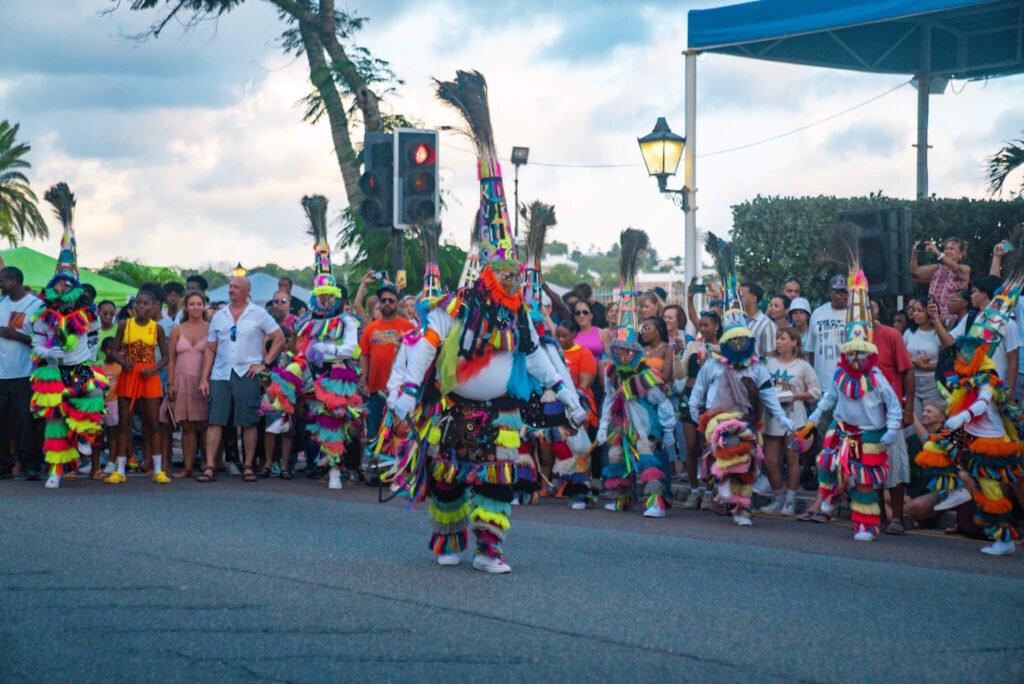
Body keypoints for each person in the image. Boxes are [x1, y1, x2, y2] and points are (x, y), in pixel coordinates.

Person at [388, 72, 586, 573]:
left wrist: (567, 396)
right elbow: (426, 348)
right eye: (502, 271)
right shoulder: (452, 309)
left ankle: (490, 548)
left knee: (497, 480)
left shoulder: (520, 316)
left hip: (502, 414)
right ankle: (451, 540)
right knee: (449, 479)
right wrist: (408, 391)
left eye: (513, 270)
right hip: (454, 408)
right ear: (484, 274)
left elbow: (540, 358)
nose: (511, 278)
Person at [914, 273, 1023, 556]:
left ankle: (1004, 538)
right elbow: (953, 344)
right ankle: (959, 487)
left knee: (994, 489)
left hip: (987, 436)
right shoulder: (972, 337)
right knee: (938, 448)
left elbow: (984, 401)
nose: (962, 357)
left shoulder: (987, 375)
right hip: (970, 431)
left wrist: (961, 417)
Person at [690, 235, 794, 526]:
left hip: (747, 417)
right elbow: (699, 391)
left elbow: (769, 394)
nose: (737, 345)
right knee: (726, 438)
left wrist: (784, 422)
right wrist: (695, 411)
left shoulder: (757, 367)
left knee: (748, 459)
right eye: (731, 340)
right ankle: (722, 487)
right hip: (716, 418)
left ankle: (742, 506)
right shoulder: (713, 364)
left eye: (741, 340)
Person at [800, 266, 902, 542]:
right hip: (842, 429)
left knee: (865, 483)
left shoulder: (878, 379)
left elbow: (894, 406)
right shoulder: (840, 373)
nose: (857, 357)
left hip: (869, 432)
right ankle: (829, 499)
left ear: (870, 353)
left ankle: (866, 525)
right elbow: (831, 397)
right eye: (853, 352)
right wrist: (815, 417)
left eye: (861, 353)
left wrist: (892, 429)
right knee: (827, 464)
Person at [28, 183, 108, 488]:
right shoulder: (43, 314)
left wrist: (81, 357)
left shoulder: (89, 316)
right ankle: (56, 471)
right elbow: (36, 344)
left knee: (93, 395)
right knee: (56, 421)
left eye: (67, 285)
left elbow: (92, 344)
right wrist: (51, 353)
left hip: (81, 367)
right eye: (58, 285)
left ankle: (86, 436)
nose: (62, 290)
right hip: (54, 370)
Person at [594, 230, 676, 518]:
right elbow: (608, 398)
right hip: (620, 420)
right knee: (617, 456)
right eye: (619, 350)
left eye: (629, 351)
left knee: (648, 456)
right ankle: (622, 497)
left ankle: (655, 501)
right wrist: (604, 426)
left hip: (643, 421)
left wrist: (667, 431)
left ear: (636, 351)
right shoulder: (613, 372)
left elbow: (661, 402)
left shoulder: (645, 374)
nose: (623, 355)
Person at [293, 196, 362, 490]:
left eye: (330, 297)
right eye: (322, 296)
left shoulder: (346, 321)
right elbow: (300, 345)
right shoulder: (309, 319)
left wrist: (326, 349)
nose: (326, 301)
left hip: (338, 375)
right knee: (315, 419)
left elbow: (348, 348)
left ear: (336, 298)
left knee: (337, 423)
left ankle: (338, 468)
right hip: (314, 373)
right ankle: (325, 464)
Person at [197, 276, 284, 483]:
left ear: (247, 291)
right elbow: (211, 348)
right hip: (221, 373)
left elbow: (279, 338)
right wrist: (204, 378)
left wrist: (265, 363)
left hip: (247, 372)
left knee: (248, 421)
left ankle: (248, 465)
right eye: (230, 287)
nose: (231, 291)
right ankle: (210, 465)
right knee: (215, 420)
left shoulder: (259, 313)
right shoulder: (220, 316)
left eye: (236, 287)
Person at [106, 289, 169, 484]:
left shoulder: (156, 328)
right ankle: (120, 469)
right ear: (134, 306)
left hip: (149, 376)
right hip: (128, 375)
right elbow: (113, 350)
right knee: (124, 423)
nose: (142, 307)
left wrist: (154, 369)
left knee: (153, 423)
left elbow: (166, 356)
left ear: (153, 306)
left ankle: (158, 469)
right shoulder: (125, 325)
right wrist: (123, 362)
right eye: (139, 303)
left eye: (146, 304)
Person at [760, 327, 820, 515]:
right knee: (770, 460)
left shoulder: (802, 366)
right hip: (772, 416)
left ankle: (791, 500)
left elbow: (815, 392)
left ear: (794, 342)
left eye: (783, 338)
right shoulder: (768, 364)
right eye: (777, 338)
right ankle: (778, 497)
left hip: (795, 416)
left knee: (793, 459)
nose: (778, 342)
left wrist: (796, 395)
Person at [870, 299, 916, 535]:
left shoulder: (891, 335)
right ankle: (878, 516)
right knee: (869, 467)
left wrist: (907, 410)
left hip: (891, 413)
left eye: (870, 306)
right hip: (865, 416)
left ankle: (896, 517)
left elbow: (907, 371)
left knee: (895, 467)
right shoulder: (852, 338)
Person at [359, 283, 415, 466]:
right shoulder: (371, 328)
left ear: (397, 303)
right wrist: (364, 382)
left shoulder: (408, 327)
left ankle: (397, 469)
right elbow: (364, 355)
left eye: (391, 300)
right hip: (375, 390)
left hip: (400, 391)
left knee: (398, 431)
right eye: (383, 301)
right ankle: (375, 469)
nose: (387, 304)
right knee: (374, 432)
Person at [0, 266, 43, 480]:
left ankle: (31, 464)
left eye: (4, 280)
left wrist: (16, 336)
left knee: (28, 420)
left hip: (25, 372)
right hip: (2, 372)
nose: (1, 284)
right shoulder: (1, 304)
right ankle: (4, 465)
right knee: (3, 420)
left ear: (15, 281)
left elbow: (44, 339)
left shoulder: (36, 306)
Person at [551, 319, 598, 509]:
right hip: (555, 406)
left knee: (581, 448)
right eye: (558, 336)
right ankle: (573, 486)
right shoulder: (552, 353)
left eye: (565, 336)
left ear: (573, 335)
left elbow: (585, 383)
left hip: (577, 406)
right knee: (565, 449)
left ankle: (583, 488)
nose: (561, 339)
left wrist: (573, 404)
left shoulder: (583, 353)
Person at [679, 311, 721, 510]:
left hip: (711, 400)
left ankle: (709, 490)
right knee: (691, 446)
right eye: (701, 325)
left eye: (707, 325)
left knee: (710, 447)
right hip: (689, 395)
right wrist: (675, 354)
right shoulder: (693, 346)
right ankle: (694, 490)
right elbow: (680, 373)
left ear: (717, 327)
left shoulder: (724, 348)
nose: (703, 329)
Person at [167, 292, 209, 478]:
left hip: (204, 380)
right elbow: (171, 359)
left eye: (199, 304)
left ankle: (209, 465)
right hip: (181, 380)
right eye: (192, 304)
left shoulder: (211, 329)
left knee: (206, 424)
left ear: (204, 306)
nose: (195, 307)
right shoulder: (177, 329)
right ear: (186, 307)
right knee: (187, 426)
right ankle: (188, 466)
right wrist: (170, 383)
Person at [909, 237, 970, 327]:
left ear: (961, 254)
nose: (947, 251)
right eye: (946, 248)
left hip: (952, 319)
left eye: (951, 249)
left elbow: (955, 268)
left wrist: (937, 252)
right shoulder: (937, 268)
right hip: (934, 317)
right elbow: (915, 271)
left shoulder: (965, 268)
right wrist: (914, 254)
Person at [806, 275, 849, 393]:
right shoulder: (818, 313)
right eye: (837, 291)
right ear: (830, 292)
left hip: (848, 383)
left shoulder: (855, 314)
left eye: (844, 292)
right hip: (822, 384)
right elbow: (811, 350)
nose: (841, 295)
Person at [903, 295, 941, 417]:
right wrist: (914, 362)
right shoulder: (909, 333)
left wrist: (926, 367)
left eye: (920, 311)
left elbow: (947, 363)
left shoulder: (939, 333)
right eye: (914, 311)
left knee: (932, 419)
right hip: (912, 383)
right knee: (915, 421)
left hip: (934, 385)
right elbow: (901, 357)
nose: (915, 314)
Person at [98, 337, 121, 479]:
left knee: (113, 432)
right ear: (103, 351)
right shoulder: (99, 365)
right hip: (100, 403)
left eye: (114, 349)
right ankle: (99, 458)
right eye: (108, 349)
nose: (111, 352)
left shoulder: (120, 367)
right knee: (99, 433)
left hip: (114, 402)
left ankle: (112, 461)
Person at [741, 281, 776, 356]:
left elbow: (769, 357)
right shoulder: (736, 321)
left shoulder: (767, 325)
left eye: (741, 295)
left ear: (753, 299)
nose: (737, 298)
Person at [640, 316, 674, 385]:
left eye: (646, 328)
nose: (643, 332)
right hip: (642, 391)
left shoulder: (667, 349)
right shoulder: (641, 350)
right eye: (642, 329)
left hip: (660, 391)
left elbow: (666, 376)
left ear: (659, 330)